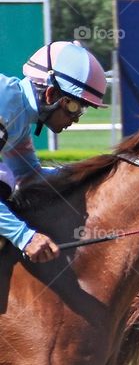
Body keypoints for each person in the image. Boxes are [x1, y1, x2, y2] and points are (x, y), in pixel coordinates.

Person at [0, 41, 108, 263]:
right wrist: (25, 237)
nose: (77, 118)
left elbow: (31, 177)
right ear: (50, 94)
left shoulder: (19, 120)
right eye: (75, 106)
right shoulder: (5, 104)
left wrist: (93, 179)